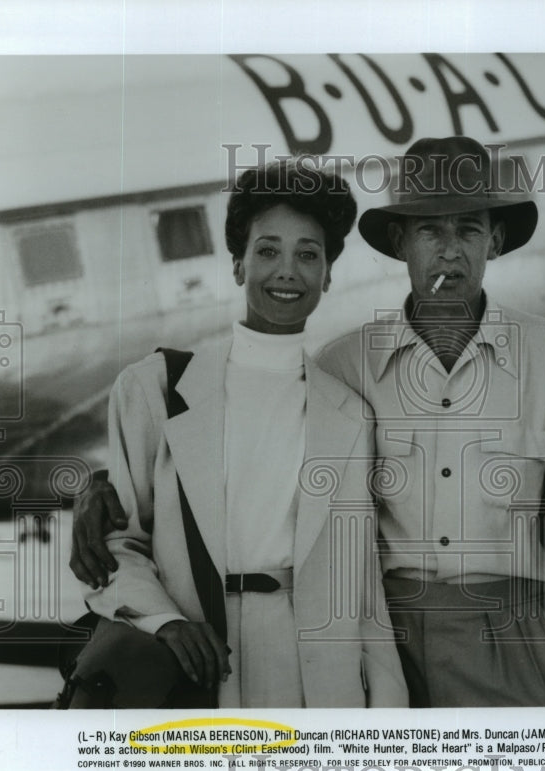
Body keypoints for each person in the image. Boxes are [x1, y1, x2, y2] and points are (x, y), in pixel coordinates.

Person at [72, 136, 545, 707]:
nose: (450, 252)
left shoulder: (542, 356)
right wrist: (98, 492)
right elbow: (166, 509)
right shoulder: (331, 374)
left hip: (452, 646)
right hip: (289, 649)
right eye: (429, 231)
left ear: (494, 240)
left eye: (468, 230)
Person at [68, 161, 407, 708]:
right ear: (236, 265)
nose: (287, 272)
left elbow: (361, 586)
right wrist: (166, 624)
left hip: (320, 669)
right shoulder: (153, 388)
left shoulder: (348, 412)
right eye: (268, 251)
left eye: (308, 254)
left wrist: (386, 713)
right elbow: (118, 544)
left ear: (327, 274)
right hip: (198, 656)